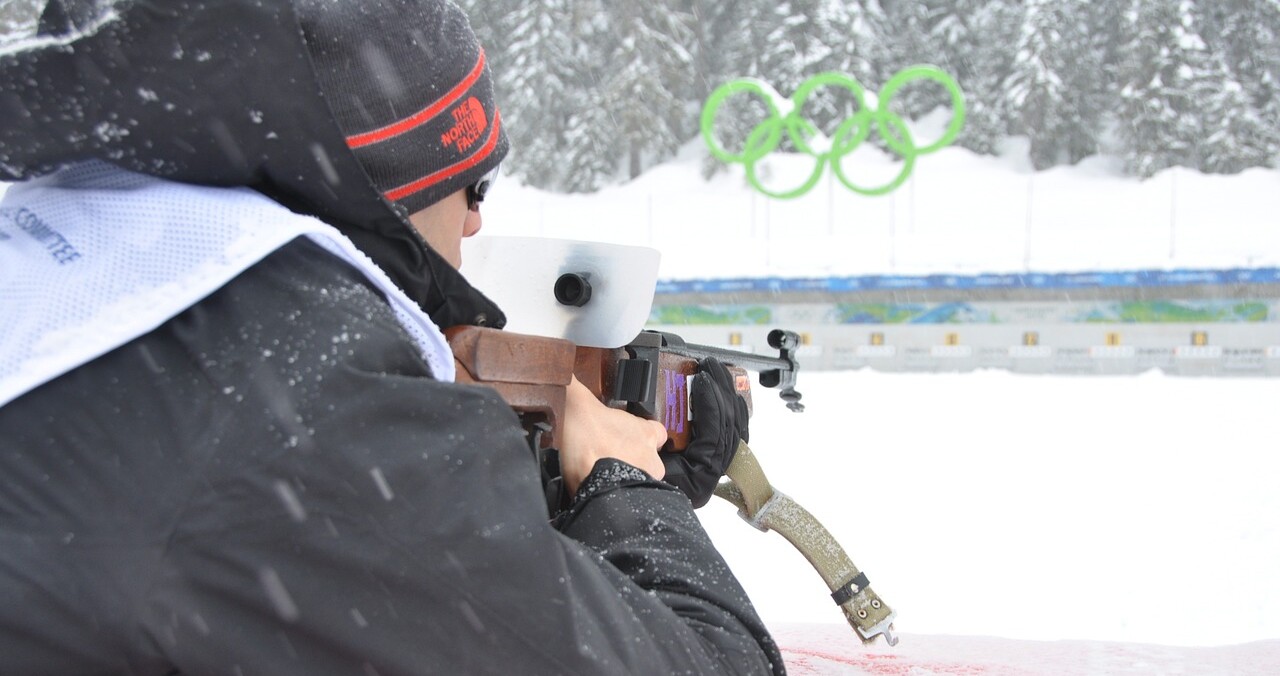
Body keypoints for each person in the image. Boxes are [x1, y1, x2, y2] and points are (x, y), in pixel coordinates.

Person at [0, 0, 784, 674]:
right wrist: (628, 490)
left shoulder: (87, 263)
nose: (477, 220)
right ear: (388, 183)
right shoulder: (296, 390)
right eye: (473, 184)